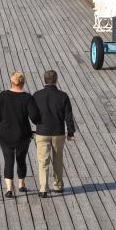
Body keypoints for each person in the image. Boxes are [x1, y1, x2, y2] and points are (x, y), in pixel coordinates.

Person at [0, 71, 40, 198]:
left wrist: (3, 122)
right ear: (23, 83)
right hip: (22, 135)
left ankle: (9, 189)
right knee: (21, 159)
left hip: (5, 134)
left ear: (11, 82)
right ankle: (22, 184)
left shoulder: (3, 95)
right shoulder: (28, 98)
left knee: (8, 160)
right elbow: (34, 117)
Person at [32, 69, 76, 197]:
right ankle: (58, 185)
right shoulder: (63, 96)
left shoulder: (37, 95)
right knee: (58, 159)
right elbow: (68, 115)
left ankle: (43, 188)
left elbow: (33, 115)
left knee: (43, 160)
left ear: (43, 80)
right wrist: (71, 132)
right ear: (56, 80)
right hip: (58, 132)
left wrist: (38, 123)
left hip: (42, 132)